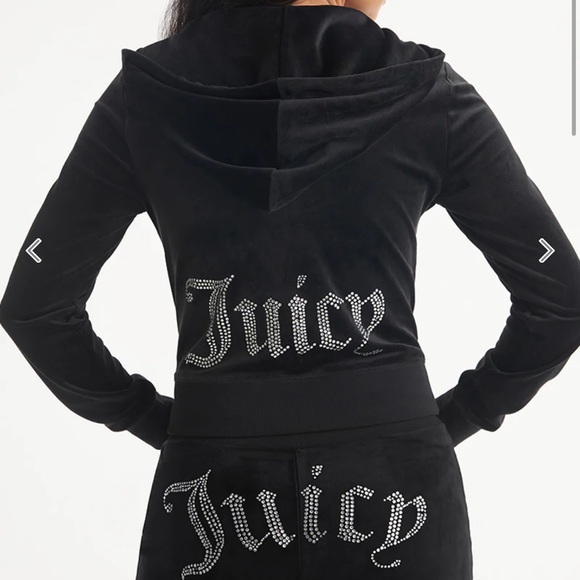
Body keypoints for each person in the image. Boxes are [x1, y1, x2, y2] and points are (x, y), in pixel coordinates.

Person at [2, 0, 580, 578]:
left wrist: (152, 418)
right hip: (398, 496)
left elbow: (36, 307)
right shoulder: (427, 93)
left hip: (209, 488)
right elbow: (561, 300)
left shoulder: (146, 95)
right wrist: (454, 416)